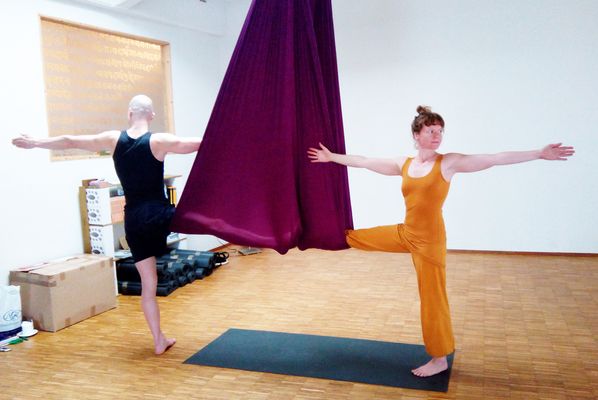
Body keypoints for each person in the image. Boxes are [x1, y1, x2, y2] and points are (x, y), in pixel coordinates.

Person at [307, 105, 574, 377]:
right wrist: (331, 157)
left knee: (432, 300)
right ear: (416, 134)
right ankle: (312, 235)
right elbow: (364, 161)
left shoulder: (448, 162)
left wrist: (539, 154)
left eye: (440, 131)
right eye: (431, 130)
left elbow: (495, 158)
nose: (437, 136)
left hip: (429, 243)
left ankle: (438, 358)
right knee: (354, 237)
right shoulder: (405, 164)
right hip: (405, 233)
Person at [12, 94, 202, 355]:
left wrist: (34, 142)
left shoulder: (114, 139)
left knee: (149, 285)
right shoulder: (160, 141)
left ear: (129, 113)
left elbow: (69, 140)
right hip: (159, 214)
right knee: (202, 215)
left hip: (134, 219)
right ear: (152, 116)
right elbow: (201, 144)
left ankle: (158, 340)